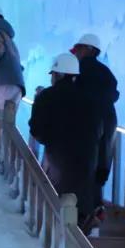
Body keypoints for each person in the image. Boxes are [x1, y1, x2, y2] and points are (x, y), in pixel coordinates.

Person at [28, 53, 103, 224]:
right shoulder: (91, 100)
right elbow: (99, 132)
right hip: (86, 171)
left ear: (57, 74)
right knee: (77, 223)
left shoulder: (46, 96)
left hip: (57, 167)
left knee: (54, 215)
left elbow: (37, 129)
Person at [71, 34, 119, 200]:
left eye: (77, 49)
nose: (75, 54)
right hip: (108, 119)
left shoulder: (77, 70)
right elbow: (114, 93)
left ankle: (78, 215)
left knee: (80, 166)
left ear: (87, 49)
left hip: (85, 121)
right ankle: (95, 208)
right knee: (99, 167)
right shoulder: (107, 74)